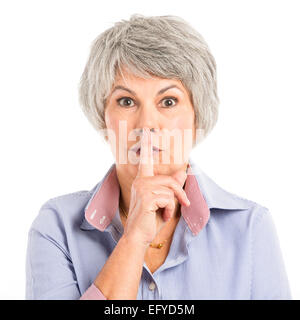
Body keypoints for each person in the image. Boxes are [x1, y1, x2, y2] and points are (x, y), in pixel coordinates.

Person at [25, 14, 292, 300]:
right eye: (126, 101)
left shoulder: (251, 227)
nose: (147, 124)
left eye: (168, 101)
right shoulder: (57, 226)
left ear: (196, 115)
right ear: (104, 120)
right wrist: (134, 239)